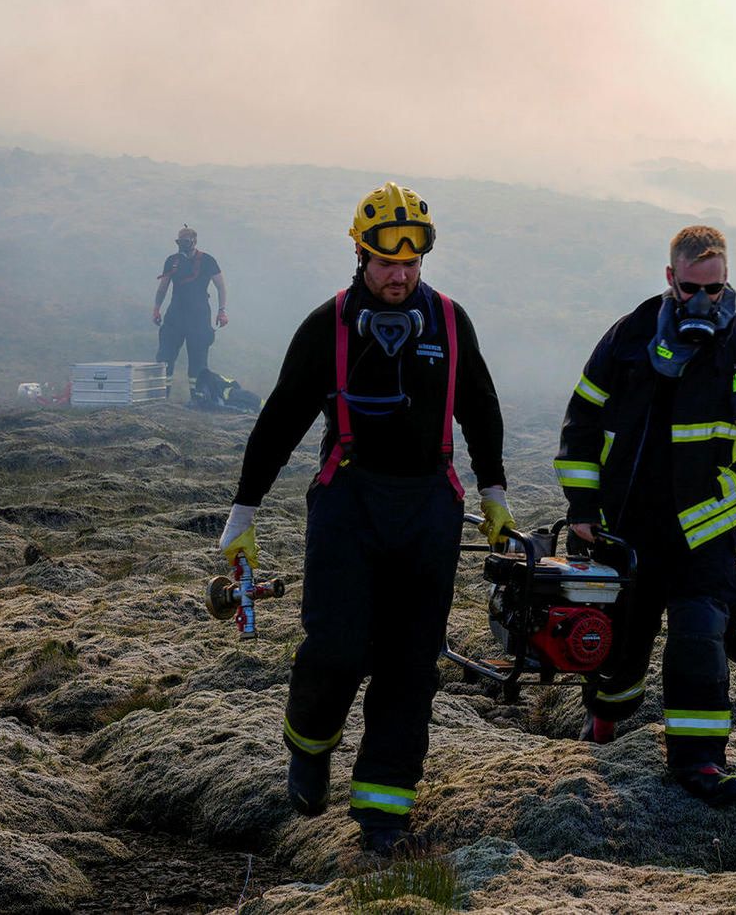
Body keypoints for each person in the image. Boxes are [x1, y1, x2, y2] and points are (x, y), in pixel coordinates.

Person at [215, 183, 514, 856]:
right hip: (348, 502)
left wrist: (493, 489)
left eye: (410, 263)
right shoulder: (328, 325)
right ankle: (309, 745)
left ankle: (383, 813)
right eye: (385, 261)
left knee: (412, 665)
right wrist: (244, 510)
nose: (399, 275)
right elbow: (282, 417)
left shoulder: (451, 323)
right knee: (338, 649)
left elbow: (482, 408)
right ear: (360, 252)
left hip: (430, 507)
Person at [555, 225, 736, 806]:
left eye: (717, 287)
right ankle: (604, 719)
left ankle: (699, 762)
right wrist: (582, 508)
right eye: (691, 288)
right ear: (669, 280)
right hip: (626, 529)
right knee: (620, 653)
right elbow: (580, 423)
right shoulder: (628, 337)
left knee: (699, 640)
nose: (705, 300)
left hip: (706, 530)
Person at [153, 225, 227, 394]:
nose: (182, 245)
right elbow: (162, 288)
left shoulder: (208, 261)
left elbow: (221, 287)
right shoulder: (172, 261)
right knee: (165, 357)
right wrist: (156, 308)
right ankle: (161, 397)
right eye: (179, 242)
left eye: (185, 242)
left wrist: (222, 311)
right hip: (175, 317)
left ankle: (199, 398)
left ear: (194, 241)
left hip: (199, 318)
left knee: (198, 361)